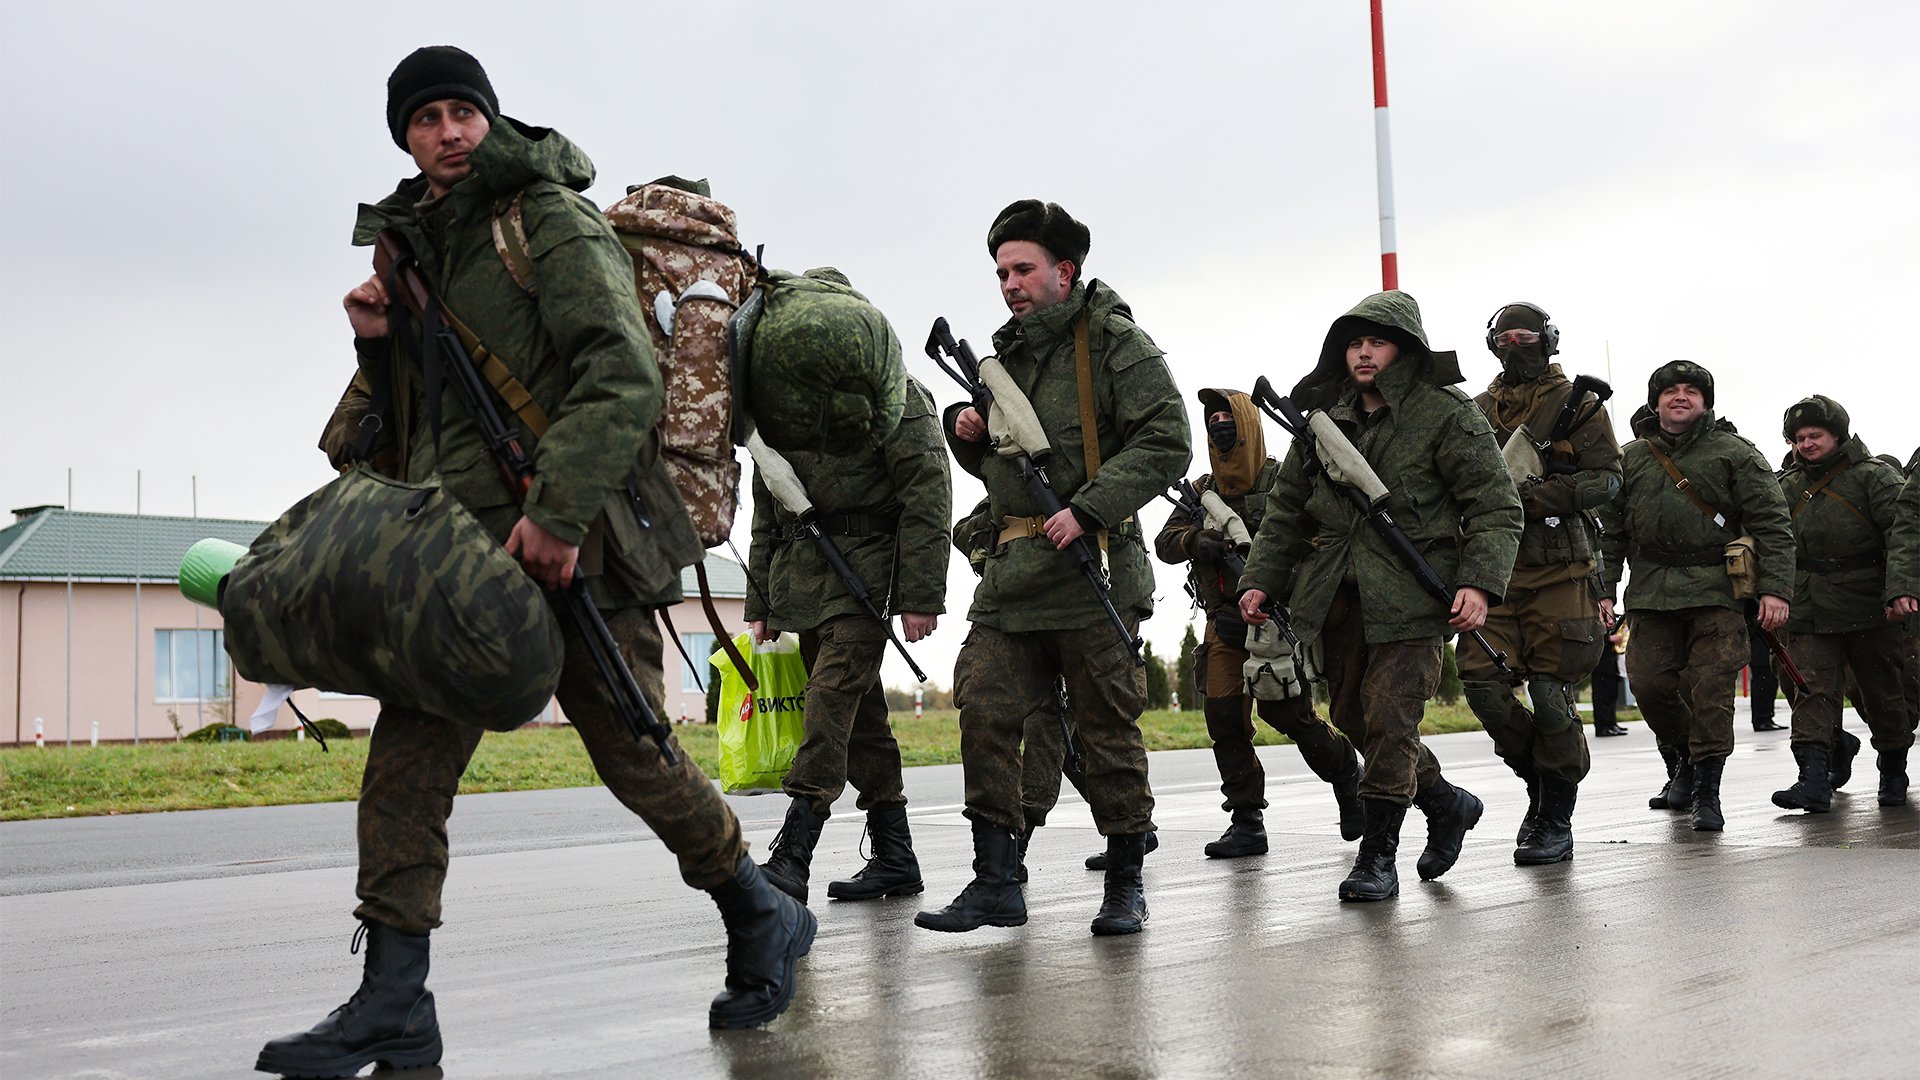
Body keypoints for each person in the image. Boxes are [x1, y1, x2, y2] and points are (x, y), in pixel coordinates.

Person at [261, 48, 813, 1078]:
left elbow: (623, 373)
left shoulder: (544, 221)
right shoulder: (412, 252)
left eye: (462, 110)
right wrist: (378, 344)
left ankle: (757, 910)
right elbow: (415, 432)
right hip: (460, 557)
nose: (449, 131)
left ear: (489, 118)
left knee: (635, 753)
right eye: (425, 118)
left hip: (578, 547)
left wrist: (559, 515)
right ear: (405, 138)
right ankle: (394, 1003)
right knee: (406, 765)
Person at [916, 200, 1189, 936]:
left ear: (1064, 271)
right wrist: (966, 433)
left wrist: (1092, 508)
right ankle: (996, 881)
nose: (1009, 282)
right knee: (985, 709)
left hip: (1092, 569)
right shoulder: (1003, 357)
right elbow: (999, 473)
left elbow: (1167, 440)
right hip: (1015, 579)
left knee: (1106, 733)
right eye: (1001, 271)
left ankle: (1125, 881)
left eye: (1023, 268)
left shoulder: (1114, 343)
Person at [1237, 291, 1522, 902]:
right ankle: (1445, 803)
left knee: (1392, 718)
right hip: (1337, 593)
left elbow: (1495, 504)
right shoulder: (1320, 421)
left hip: (1415, 594)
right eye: (1355, 343)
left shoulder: (1444, 413)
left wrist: (1479, 582)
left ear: (1407, 349)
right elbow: (1286, 510)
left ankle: (1377, 855)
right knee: (1354, 718)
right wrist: (1259, 578)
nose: (1364, 353)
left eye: (1378, 342)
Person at [746, 372, 951, 901]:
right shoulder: (779, 398)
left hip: (864, 580)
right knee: (861, 724)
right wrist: (762, 602)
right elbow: (767, 511)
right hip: (804, 585)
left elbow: (928, 493)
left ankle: (793, 855)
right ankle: (896, 857)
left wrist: (919, 594)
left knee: (829, 704)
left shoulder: (893, 390)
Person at [1157, 388, 1364, 855]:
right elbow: (1165, 543)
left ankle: (1348, 775)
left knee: (1288, 715)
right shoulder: (1201, 492)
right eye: (1212, 420)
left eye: (1229, 418)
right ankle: (1247, 821)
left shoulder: (1282, 480)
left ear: (1249, 425)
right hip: (1223, 624)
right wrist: (1197, 541)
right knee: (1224, 717)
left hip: (1278, 618)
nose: (1220, 426)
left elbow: (1319, 536)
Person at [1597, 363, 1794, 832]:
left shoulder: (1734, 453)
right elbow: (1610, 533)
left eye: (1691, 390)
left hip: (1717, 592)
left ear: (1706, 401)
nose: (1680, 397)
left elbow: (1773, 525)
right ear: (1655, 401)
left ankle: (1707, 790)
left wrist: (1775, 590)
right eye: (1669, 391)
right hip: (1650, 592)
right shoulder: (1629, 459)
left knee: (1710, 693)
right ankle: (1681, 764)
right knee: (1648, 685)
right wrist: (1603, 591)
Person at [1462, 303, 1621, 864]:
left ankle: (1556, 816)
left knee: (1552, 693)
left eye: (1524, 335)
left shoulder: (1579, 405)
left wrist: (1536, 496)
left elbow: (1607, 480)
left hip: (1560, 567)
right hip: (1492, 571)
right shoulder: (1475, 409)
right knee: (1483, 686)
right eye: (1503, 336)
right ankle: (1542, 780)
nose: (1514, 343)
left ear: (1547, 339)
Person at [1768, 397, 1912, 811]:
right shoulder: (1786, 485)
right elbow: (1771, 540)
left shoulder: (1875, 479)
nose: (1807, 444)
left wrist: (1899, 590)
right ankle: (1812, 780)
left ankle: (1893, 771)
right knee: (1810, 692)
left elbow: (1903, 535)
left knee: (1883, 693)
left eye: (1815, 435)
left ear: (1837, 435)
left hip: (1870, 604)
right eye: (1799, 438)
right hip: (1809, 604)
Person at [1589, 623, 1629, 737]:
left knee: (1611, 695)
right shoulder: (1596, 618)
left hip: (1611, 664)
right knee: (1602, 697)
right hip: (1601, 666)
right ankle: (1602, 727)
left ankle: (1611, 724)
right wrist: (1609, 638)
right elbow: (1593, 635)